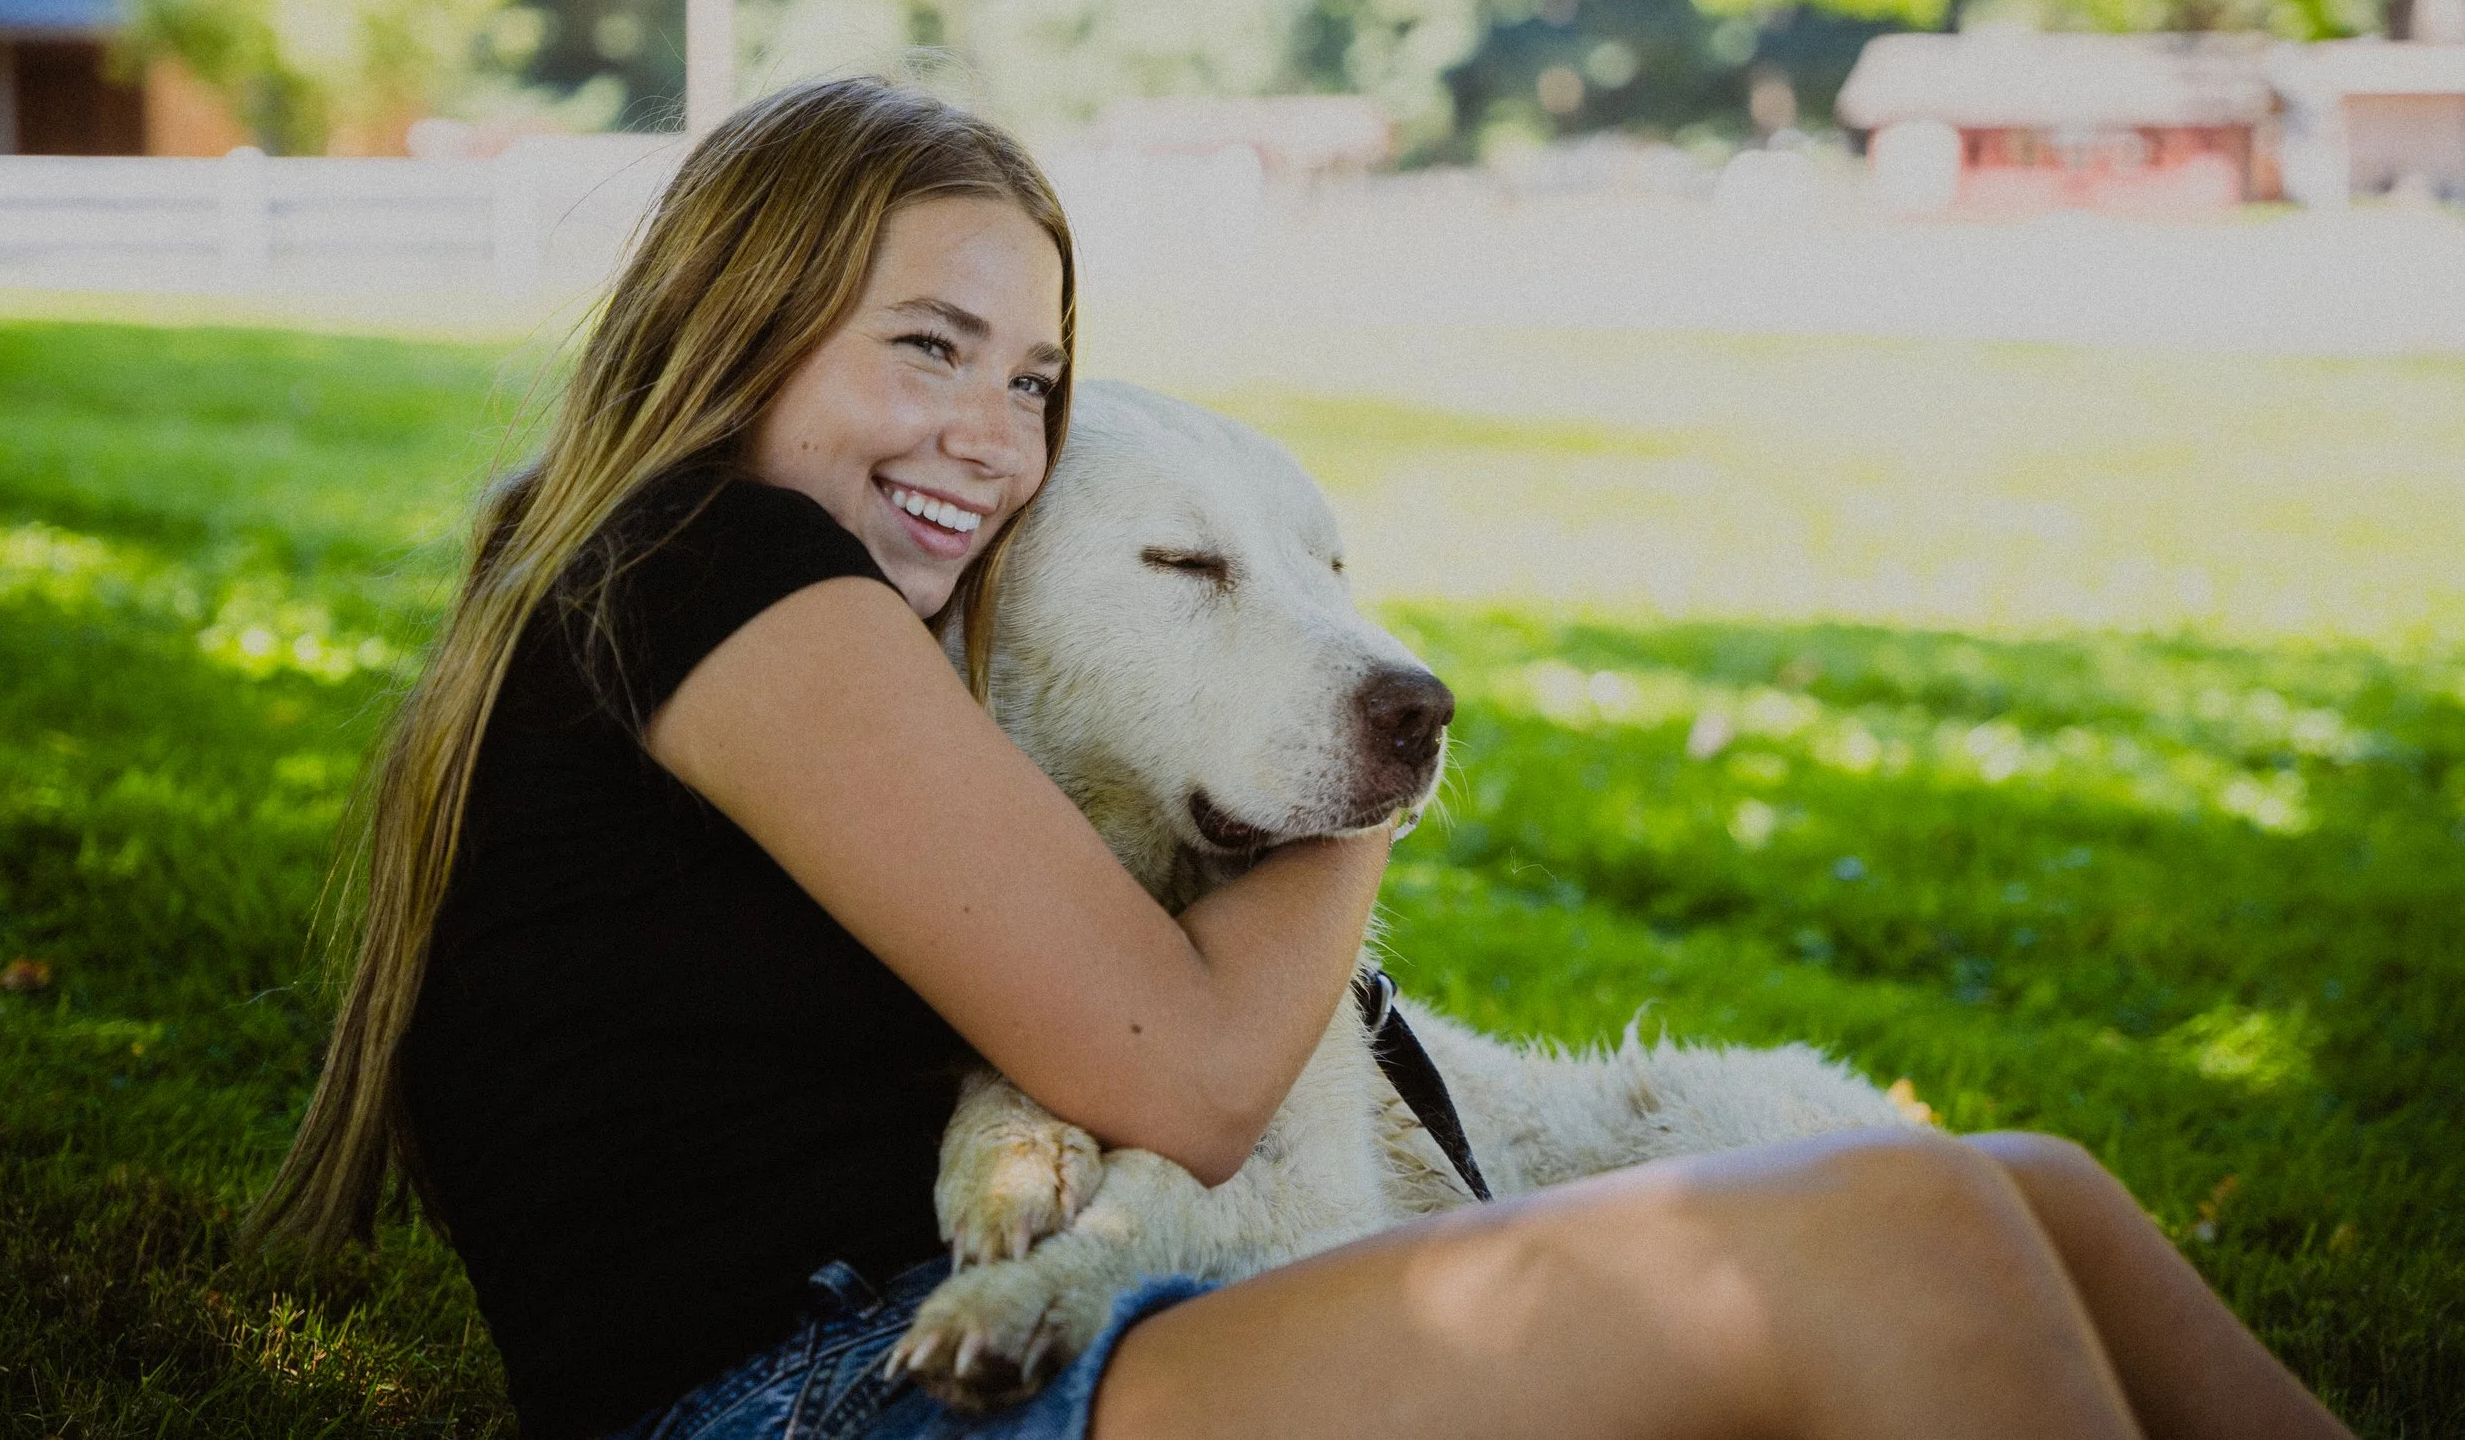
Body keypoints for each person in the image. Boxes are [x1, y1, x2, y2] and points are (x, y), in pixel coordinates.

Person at [253, 77, 2356, 1440]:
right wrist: (1357, 727)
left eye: (1035, 372)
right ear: (733, 325)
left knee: (2026, 1191)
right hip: (837, 1389)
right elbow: (1181, 1068)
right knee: (1895, 1233)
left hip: (946, 1333)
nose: (991, 430)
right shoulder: (714, 561)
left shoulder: (724, 589)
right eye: (924, 342)